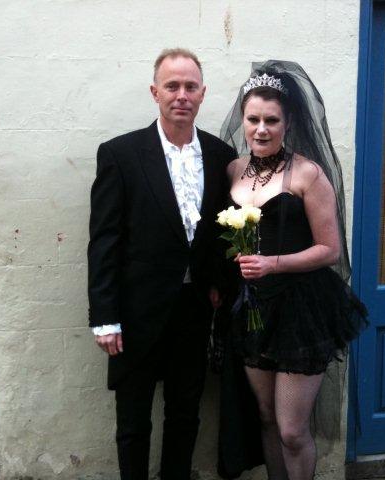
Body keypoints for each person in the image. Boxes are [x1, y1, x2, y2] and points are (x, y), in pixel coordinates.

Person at [87, 48, 236, 480]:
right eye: (172, 86)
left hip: (192, 314)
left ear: (203, 94)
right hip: (135, 314)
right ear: (155, 92)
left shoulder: (220, 154)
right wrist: (105, 317)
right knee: (133, 422)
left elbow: (218, 234)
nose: (181, 95)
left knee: (185, 413)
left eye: (190, 87)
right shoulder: (121, 154)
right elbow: (104, 242)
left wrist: (217, 285)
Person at [219, 61, 367, 479]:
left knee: (292, 430)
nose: (261, 129)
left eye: (271, 120)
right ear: (243, 121)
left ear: (288, 123)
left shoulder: (308, 174)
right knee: (265, 417)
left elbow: (330, 249)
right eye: (253, 119)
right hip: (252, 310)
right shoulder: (233, 170)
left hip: (300, 310)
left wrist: (273, 263)